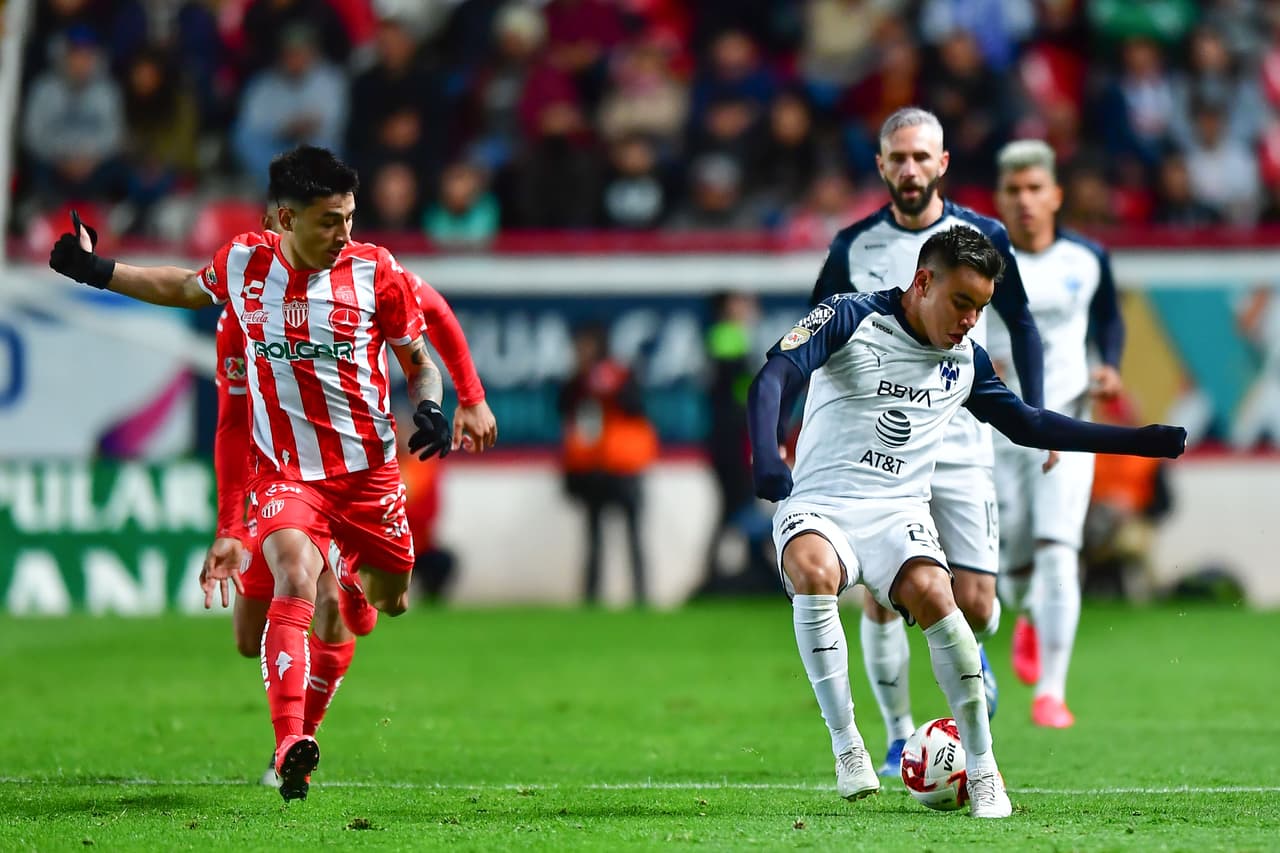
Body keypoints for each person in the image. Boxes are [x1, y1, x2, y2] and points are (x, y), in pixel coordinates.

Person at [48, 145, 457, 802]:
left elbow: (419, 356)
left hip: (367, 477)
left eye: (350, 217)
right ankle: (291, 742)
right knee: (292, 582)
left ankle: (348, 588)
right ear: (283, 218)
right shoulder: (245, 265)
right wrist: (97, 269)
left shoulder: (371, 273)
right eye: (329, 220)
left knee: (386, 600)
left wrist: (434, 404)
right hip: (288, 477)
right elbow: (181, 286)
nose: (343, 233)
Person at [748, 225, 1185, 817]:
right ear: (923, 282)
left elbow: (1030, 425)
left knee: (939, 594)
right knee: (813, 568)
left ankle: (984, 771)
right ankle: (847, 743)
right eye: (962, 303)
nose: (971, 320)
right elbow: (772, 376)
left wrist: (1140, 442)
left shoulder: (965, 361)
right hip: (821, 503)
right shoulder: (850, 316)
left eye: (981, 308)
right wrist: (770, 459)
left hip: (898, 512)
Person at [197, 202, 497, 785]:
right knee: (247, 639)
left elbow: (433, 311)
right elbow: (232, 422)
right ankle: (351, 591)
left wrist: (471, 395)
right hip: (276, 477)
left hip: (351, 477)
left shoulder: (367, 276)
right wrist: (230, 526)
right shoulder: (241, 310)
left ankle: (291, 749)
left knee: (328, 606)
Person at [810, 106, 1046, 776]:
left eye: (922, 157)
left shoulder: (983, 236)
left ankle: (974, 657)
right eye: (898, 158)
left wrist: (1036, 408)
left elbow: (1022, 325)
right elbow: (818, 340)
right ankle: (898, 734)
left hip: (961, 433)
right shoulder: (851, 246)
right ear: (881, 165)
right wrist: (810, 433)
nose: (910, 169)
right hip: (879, 445)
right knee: (884, 594)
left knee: (975, 604)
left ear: (943, 164)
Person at [987, 139, 1126, 729]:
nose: (1025, 201)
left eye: (1035, 189)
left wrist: (1109, 364)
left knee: (1058, 548)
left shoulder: (1087, 259)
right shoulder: (980, 256)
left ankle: (1052, 691)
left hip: (1066, 418)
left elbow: (1110, 320)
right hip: (997, 425)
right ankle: (1029, 618)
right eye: (1014, 191)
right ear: (999, 198)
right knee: (1013, 555)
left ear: (1056, 195)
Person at [557, 323, 658, 605]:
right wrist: (583, 381)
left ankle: (641, 596)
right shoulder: (577, 381)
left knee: (634, 535)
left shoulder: (622, 375)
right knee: (594, 537)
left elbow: (636, 407)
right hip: (593, 468)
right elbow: (563, 407)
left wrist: (611, 384)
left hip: (625, 466)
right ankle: (592, 596)